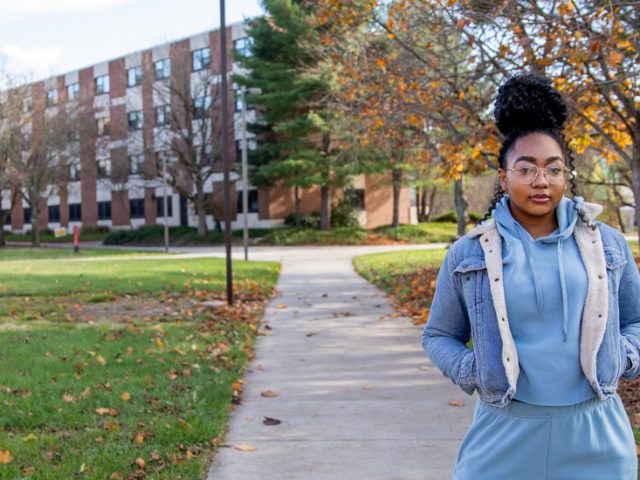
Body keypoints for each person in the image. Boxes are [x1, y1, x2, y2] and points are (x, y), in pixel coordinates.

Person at [422, 73, 640, 479]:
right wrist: (472, 371)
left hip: (595, 433)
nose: (541, 181)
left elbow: (636, 320)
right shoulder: (468, 253)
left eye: (553, 169)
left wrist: (624, 356)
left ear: (565, 175)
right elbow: (438, 335)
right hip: (503, 431)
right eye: (526, 169)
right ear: (504, 178)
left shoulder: (608, 244)